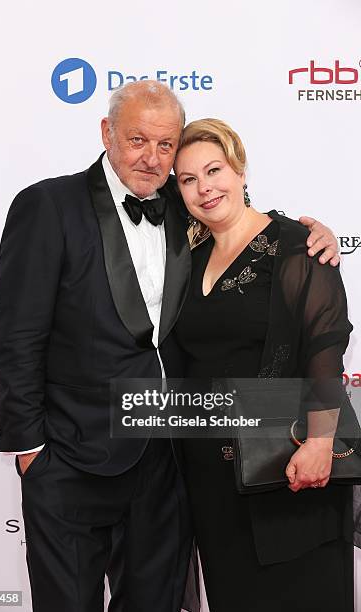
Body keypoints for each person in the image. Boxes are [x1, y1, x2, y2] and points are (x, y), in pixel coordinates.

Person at [0, 82, 340, 612]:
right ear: (106, 134)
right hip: (71, 457)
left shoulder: (182, 205)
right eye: (136, 140)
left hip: (167, 462)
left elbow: (244, 228)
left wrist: (310, 234)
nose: (151, 159)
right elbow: (16, 335)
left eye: (165, 145)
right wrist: (29, 449)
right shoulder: (48, 205)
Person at [171, 118, 355, 612]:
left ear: (240, 168)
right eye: (188, 180)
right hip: (212, 481)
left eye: (214, 170)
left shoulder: (297, 246)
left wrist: (320, 441)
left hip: (290, 470)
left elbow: (325, 349)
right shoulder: (188, 254)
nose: (204, 187)